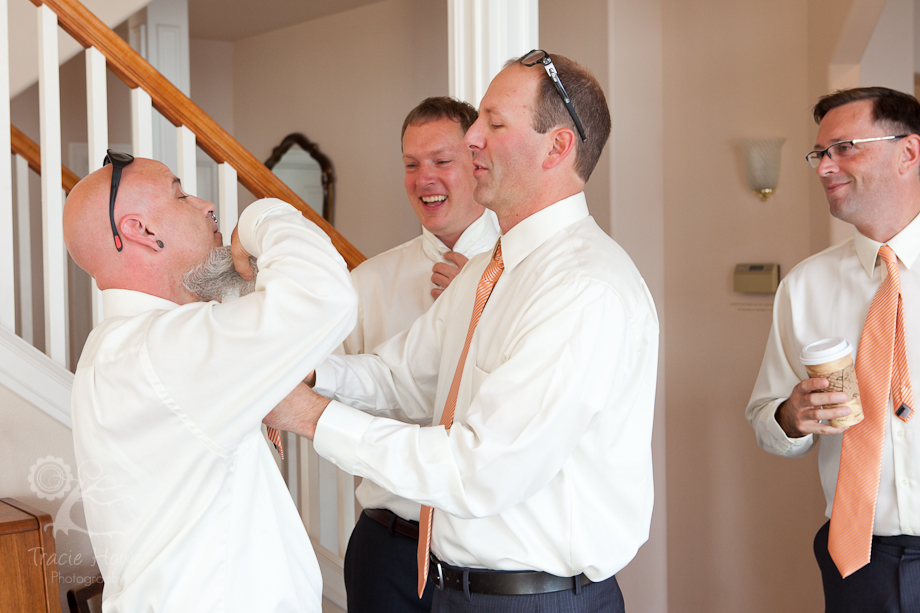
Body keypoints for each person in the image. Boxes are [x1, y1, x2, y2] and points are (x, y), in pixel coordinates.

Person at [268, 51, 658, 612]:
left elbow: (479, 468)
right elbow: (402, 379)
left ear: (558, 147)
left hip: (534, 600)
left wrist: (308, 415)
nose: (473, 137)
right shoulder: (486, 271)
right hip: (452, 588)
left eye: (494, 124)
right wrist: (306, 374)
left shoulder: (582, 289)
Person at [63, 152, 357, 612]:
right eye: (181, 194)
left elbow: (245, 312)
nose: (207, 205)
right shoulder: (162, 352)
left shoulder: (125, 350)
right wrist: (263, 214)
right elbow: (323, 294)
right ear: (142, 231)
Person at [747, 87, 920, 612]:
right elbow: (764, 419)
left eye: (844, 148)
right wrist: (791, 416)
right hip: (860, 560)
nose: (825, 167)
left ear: (908, 153)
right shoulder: (804, 287)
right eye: (820, 153)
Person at [343, 97, 500, 612]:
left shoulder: (526, 278)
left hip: (492, 558)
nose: (423, 178)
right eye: (411, 165)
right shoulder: (367, 284)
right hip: (387, 549)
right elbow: (335, 399)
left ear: (477, 163)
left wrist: (480, 310)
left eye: (440, 161)